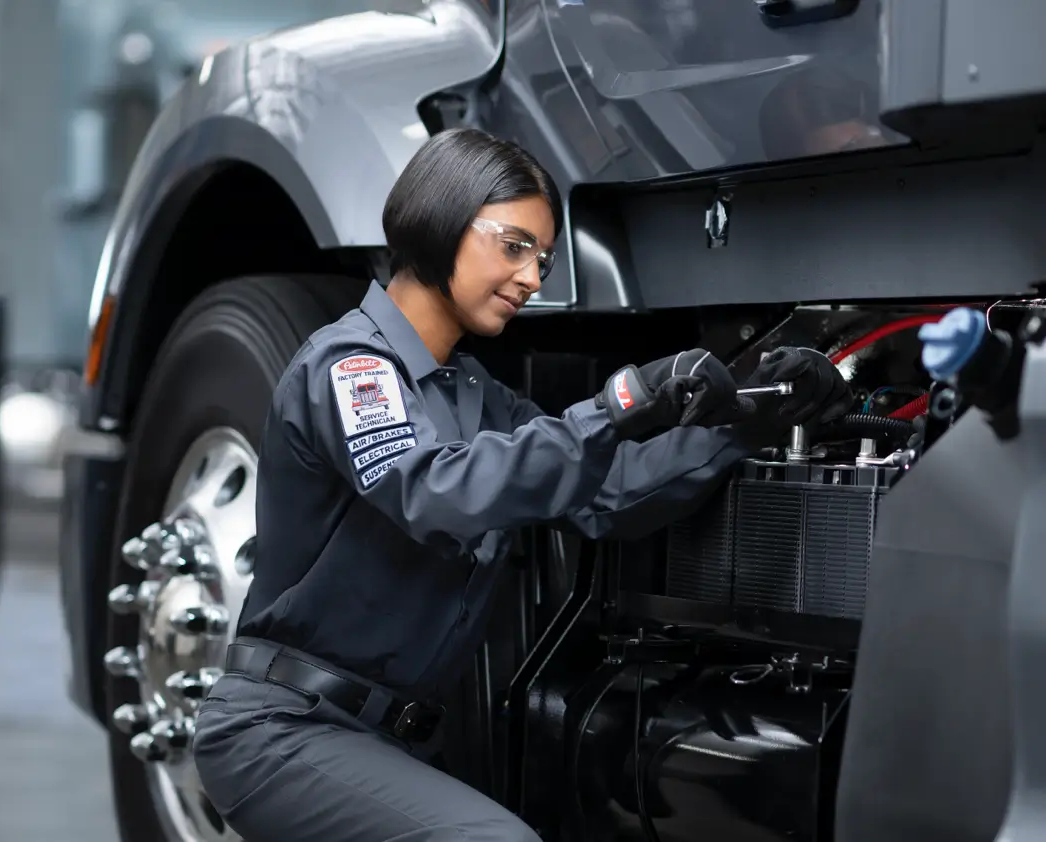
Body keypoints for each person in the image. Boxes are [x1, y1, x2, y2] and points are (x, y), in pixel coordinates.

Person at [191, 127, 852, 842]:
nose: (533, 278)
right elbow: (435, 494)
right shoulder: (353, 368)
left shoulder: (479, 396)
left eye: (542, 258)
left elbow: (610, 495)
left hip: (384, 740)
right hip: (283, 729)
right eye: (513, 246)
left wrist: (749, 419)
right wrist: (619, 406)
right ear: (440, 220)